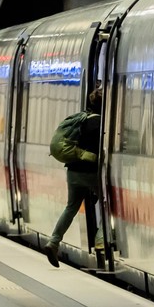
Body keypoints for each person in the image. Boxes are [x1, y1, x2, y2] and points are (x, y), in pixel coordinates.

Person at [43, 88, 102, 268]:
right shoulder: (99, 123)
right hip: (91, 173)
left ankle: (53, 242)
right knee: (109, 206)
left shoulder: (81, 119)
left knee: (71, 208)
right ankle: (101, 241)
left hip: (73, 172)